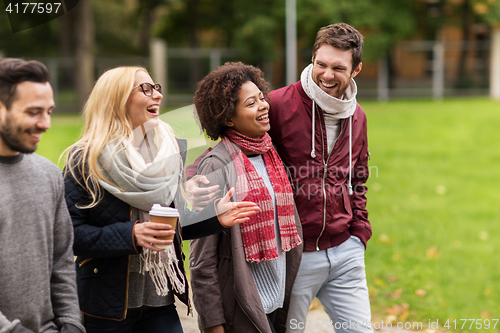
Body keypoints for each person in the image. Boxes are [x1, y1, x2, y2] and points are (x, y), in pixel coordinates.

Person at [188, 23, 372, 333]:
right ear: (312, 59)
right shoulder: (277, 104)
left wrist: (359, 231)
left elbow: (359, 176)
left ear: (356, 70)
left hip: (346, 250)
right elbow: (225, 143)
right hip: (297, 255)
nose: (327, 74)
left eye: (338, 67)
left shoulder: (358, 116)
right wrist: (192, 179)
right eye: (321, 64)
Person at [63, 66, 259, 333]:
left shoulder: (169, 149)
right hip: (105, 308)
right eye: (145, 88)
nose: (156, 94)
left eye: (156, 87)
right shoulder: (84, 159)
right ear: (116, 98)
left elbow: (171, 226)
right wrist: (131, 235)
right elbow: (69, 236)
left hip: (160, 301)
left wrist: (215, 217)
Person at [188, 62, 303, 333]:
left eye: (262, 98)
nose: (264, 106)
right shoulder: (216, 166)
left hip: (276, 299)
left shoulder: (271, 153)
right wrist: (213, 323)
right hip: (239, 307)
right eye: (251, 103)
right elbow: (201, 258)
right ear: (228, 118)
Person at [0, 58, 85, 333]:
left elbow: (61, 259)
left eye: (49, 111)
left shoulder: (48, 175)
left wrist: (72, 323)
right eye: (34, 112)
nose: (45, 123)